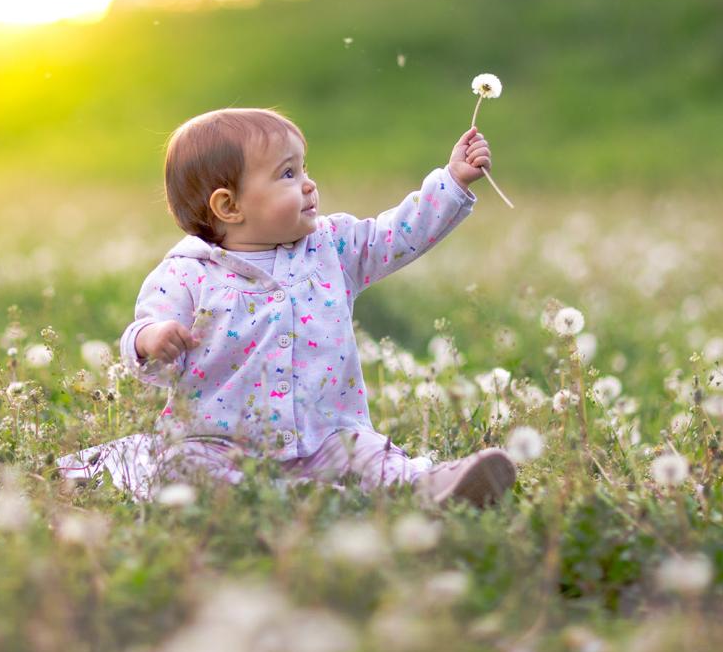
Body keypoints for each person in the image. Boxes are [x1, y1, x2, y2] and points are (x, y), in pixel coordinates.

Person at [58, 108, 515, 506]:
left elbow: (399, 234)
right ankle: (310, 501)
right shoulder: (187, 273)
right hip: (221, 443)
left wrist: (451, 182)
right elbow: (145, 332)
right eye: (288, 174)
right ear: (229, 205)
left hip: (326, 435)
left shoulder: (330, 248)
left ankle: (430, 486)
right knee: (180, 466)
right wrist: (150, 339)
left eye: (304, 168)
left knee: (371, 458)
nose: (310, 184)